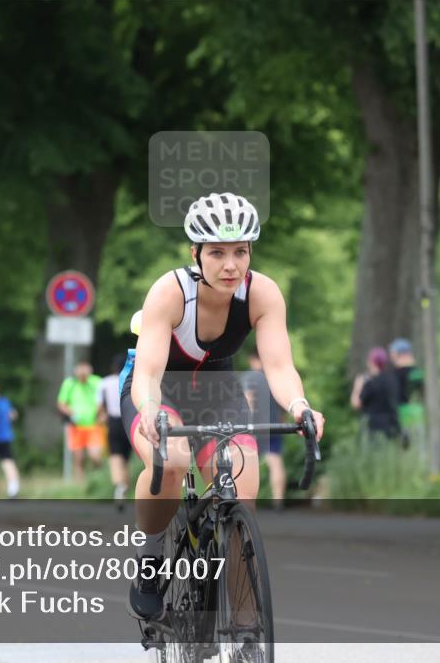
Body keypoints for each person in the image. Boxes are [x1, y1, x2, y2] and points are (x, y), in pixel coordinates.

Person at [122, 192, 325, 636]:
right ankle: (153, 556)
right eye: (217, 253)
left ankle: (246, 624)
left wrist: (299, 405)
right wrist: (155, 412)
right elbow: (149, 372)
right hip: (157, 391)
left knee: (242, 484)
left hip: (218, 392)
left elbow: (278, 365)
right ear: (195, 253)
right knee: (171, 462)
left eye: (240, 252)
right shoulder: (170, 292)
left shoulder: (263, 293)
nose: (231, 265)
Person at [242, 349, 287, 510]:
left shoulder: (249, 377)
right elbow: (283, 403)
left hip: (255, 426)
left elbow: (249, 401)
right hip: (274, 424)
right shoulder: (274, 378)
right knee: (275, 462)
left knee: (248, 464)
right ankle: (278, 502)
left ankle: (247, 503)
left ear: (252, 359)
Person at [57, 361, 104, 482]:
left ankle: (97, 478)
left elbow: (104, 399)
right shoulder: (70, 383)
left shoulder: (97, 381)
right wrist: (71, 413)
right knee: (79, 458)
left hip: (94, 425)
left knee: (95, 456)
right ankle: (80, 483)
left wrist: (103, 414)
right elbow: (61, 403)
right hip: (76, 426)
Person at [98, 353, 131, 508]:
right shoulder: (133, 379)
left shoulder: (104, 382)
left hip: (114, 422)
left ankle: (120, 485)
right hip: (130, 421)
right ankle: (126, 485)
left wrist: (102, 418)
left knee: (115, 457)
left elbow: (100, 406)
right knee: (126, 458)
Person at [350, 347, 401, 444]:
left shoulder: (370, 383)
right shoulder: (392, 380)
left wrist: (357, 386)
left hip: (373, 427)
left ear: (371, 362)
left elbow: (356, 404)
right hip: (391, 424)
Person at [389, 338, 425, 452]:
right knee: (419, 447)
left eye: (393, 353)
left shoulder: (395, 374)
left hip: (402, 414)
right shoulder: (417, 372)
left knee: (405, 449)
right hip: (417, 412)